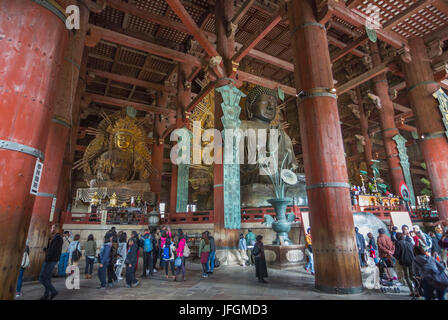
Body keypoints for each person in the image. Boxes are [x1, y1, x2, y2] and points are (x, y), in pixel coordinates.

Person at [39, 224, 63, 300]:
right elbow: (53, 249)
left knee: (42, 278)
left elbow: (53, 251)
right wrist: (46, 250)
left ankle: (53, 291)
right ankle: (46, 295)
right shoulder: (57, 238)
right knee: (47, 278)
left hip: (50, 260)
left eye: (52, 228)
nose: (51, 229)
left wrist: (47, 256)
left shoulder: (57, 238)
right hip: (52, 259)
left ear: (56, 229)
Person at [393, 233, 418, 297]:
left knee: (407, 277)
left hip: (404, 261)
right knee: (412, 276)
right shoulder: (409, 242)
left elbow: (397, 253)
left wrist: (395, 256)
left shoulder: (398, 243)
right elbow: (414, 251)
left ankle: (412, 291)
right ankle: (417, 290)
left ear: (397, 237)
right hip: (412, 260)